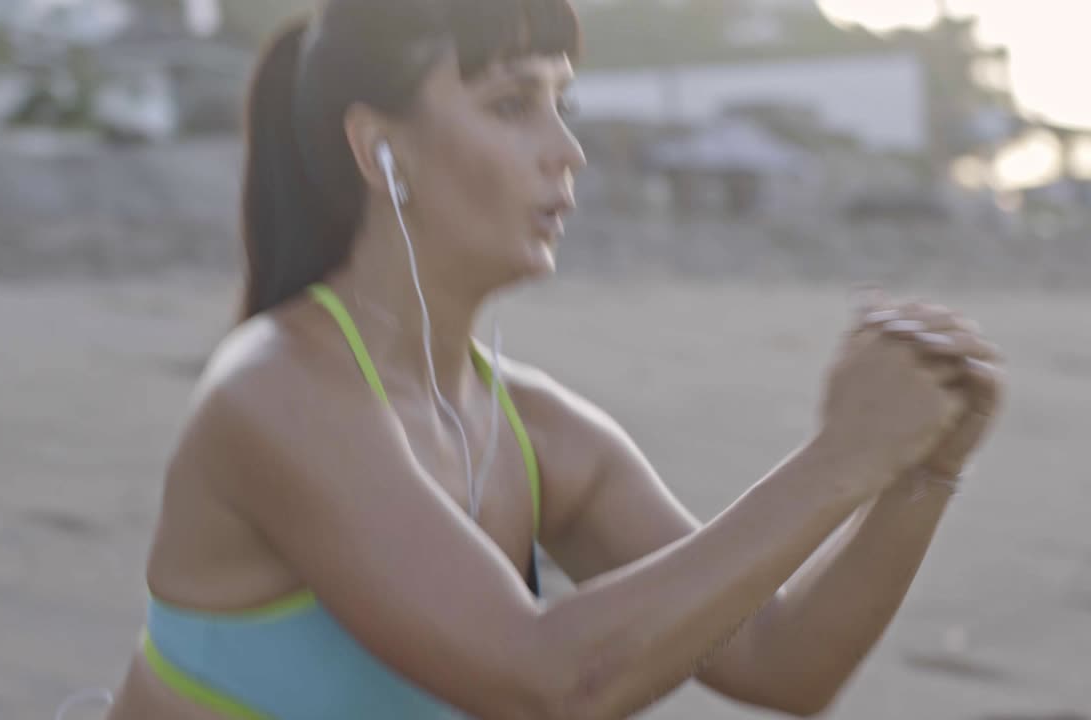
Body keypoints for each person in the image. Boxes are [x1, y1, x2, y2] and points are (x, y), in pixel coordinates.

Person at [102, 0, 1005, 718]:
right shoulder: (275, 392)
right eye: (511, 105)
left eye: (559, 105)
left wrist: (918, 471)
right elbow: (546, 685)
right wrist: (840, 456)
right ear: (380, 147)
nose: (567, 151)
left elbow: (781, 665)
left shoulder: (538, 434)